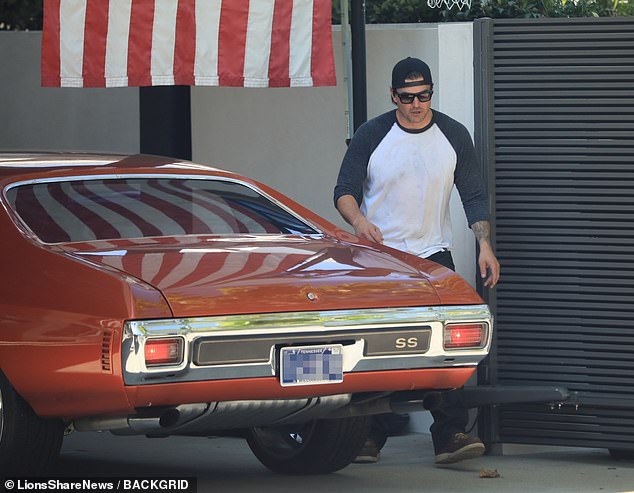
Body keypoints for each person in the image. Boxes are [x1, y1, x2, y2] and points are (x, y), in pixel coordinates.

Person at [333, 56, 500, 465]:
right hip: (381, 255)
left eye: (423, 95)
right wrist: (359, 222)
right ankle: (369, 436)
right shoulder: (372, 134)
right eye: (407, 97)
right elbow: (344, 189)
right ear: (393, 96)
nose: (416, 104)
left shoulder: (453, 134)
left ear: (431, 93)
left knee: (445, 343)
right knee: (376, 344)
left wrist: (485, 245)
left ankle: (450, 435)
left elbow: (474, 194)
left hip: (432, 254)